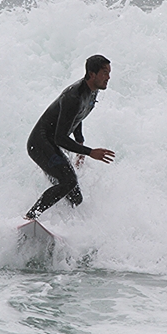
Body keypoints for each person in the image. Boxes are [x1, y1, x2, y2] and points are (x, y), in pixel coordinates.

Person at [24, 55, 115, 220]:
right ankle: (30, 217)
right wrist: (89, 152)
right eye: (104, 73)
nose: (108, 77)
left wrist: (80, 141)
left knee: (75, 198)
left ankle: (59, 223)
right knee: (68, 182)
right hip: (40, 144)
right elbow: (60, 138)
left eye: (109, 72)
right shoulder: (73, 97)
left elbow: (77, 117)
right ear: (92, 74)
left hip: (51, 144)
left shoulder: (92, 92)